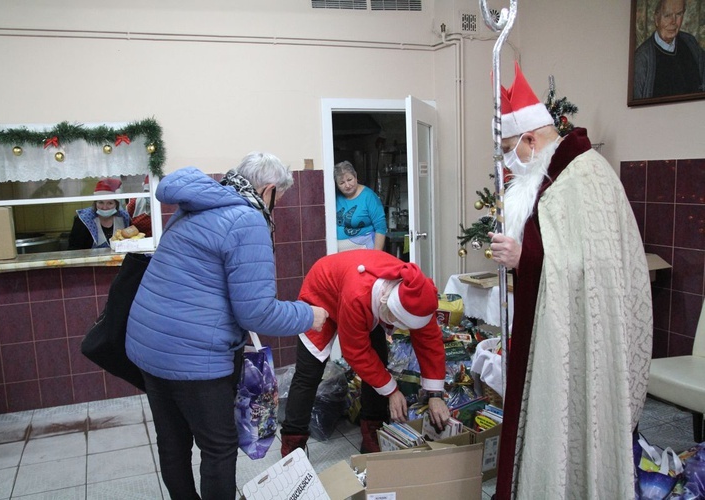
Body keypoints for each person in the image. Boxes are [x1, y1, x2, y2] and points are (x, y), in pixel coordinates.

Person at [488, 63, 653, 499]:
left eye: (510, 149)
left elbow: (591, 269)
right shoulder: (555, 176)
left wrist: (525, 256)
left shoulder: (583, 177)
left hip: (583, 342)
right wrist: (525, 260)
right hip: (553, 328)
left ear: (531, 139)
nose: (509, 161)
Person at [125, 152, 328, 500]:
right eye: (278, 196)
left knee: (172, 443)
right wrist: (310, 315)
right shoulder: (247, 221)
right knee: (218, 447)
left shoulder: (198, 206)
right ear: (268, 190)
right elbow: (257, 313)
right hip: (193, 356)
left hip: (149, 345)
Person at [280, 249, 451, 456]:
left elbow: (429, 342)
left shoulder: (418, 295)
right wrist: (392, 391)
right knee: (309, 373)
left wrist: (435, 394)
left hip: (361, 290)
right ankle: (292, 445)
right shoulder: (358, 297)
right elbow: (356, 352)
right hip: (323, 290)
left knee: (378, 358)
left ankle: (372, 432)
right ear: (387, 309)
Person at [634, 0, 705, 99]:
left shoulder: (691, 43)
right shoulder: (642, 58)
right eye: (667, 15)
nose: (673, 21)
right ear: (656, 19)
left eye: (679, 14)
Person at [335, 161, 387, 251]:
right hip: (340, 252)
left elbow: (381, 227)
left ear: (355, 176)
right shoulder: (334, 197)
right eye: (342, 183)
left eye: (349, 180)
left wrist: (376, 255)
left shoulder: (369, 196)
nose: (347, 185)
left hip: (365, 248)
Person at [67, 178, 130, 249]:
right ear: (95, 203)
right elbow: (75, 249)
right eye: (101, 202)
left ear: (116, 204)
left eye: (110, 203)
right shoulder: (83, 220)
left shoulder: (124, 217)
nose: (105, 207)